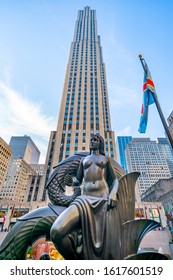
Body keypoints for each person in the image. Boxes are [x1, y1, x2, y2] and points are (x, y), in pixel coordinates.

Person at [50, 134, 120, 260]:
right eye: (91, 140)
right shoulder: (84, 160)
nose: (92, 141)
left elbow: (115, 181)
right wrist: (71, 182)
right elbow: (78, 180)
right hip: (84, 200)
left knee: (106, 241)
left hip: (103, 200)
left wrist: (113, 193)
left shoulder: (106, 159)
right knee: (56, 231)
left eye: (95, 140)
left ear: (100, 143)